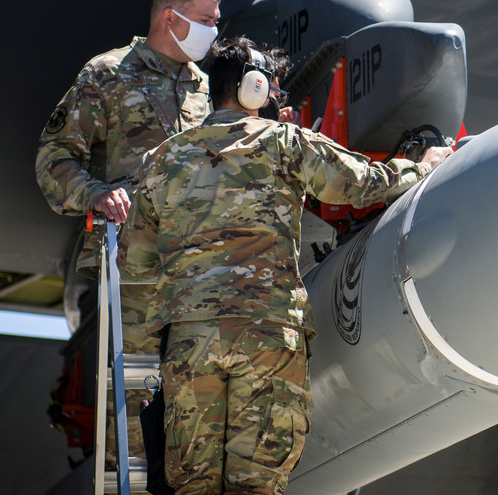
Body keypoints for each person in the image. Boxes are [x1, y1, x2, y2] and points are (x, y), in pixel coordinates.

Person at [119, 36, 452, 494]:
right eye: (272, 87)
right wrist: (422, 166)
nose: (277, 97)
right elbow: (360, 185)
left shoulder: (163, 159)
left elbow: (135, 265)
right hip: (268, 336)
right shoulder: (285, 142)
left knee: (193, 485)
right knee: (257, 483)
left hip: (190, 344)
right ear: (252, 87)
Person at [36, 0, 220, 460]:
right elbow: (54, 160)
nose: (214, 30)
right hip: (134, 266)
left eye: (216, 20)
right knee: (138, 397)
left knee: (204, 395)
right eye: (206, 20)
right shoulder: (107, 74)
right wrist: (96, 194)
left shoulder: (206, 87)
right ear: (170, 18)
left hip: (203, 270)